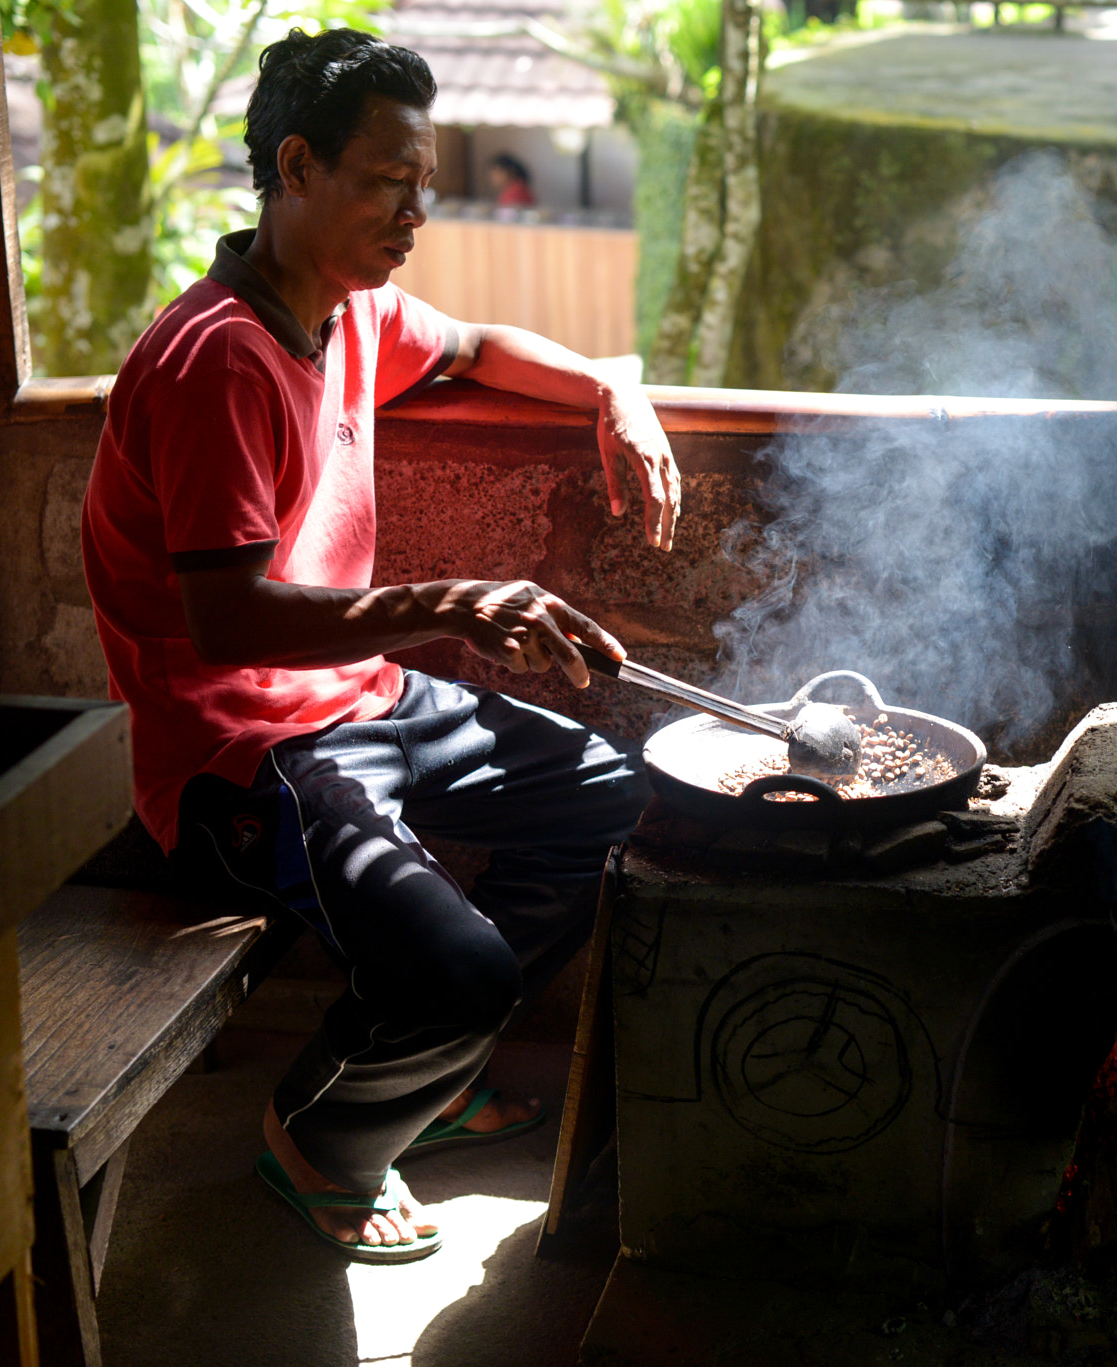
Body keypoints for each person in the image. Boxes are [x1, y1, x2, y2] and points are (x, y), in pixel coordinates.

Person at [80, 27, 681, 1262]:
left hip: (358, 694)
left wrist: (611, 388)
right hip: (242, 750)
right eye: (388, 179)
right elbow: (229, 620)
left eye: (425, 180)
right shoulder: (217, 363)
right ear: (295, 168)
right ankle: (326, 1132)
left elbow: (467, 347)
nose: (418, 209)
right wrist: (459, 603)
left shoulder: (347, 312)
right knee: (459, 969)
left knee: (606, 797)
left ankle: (422, 1068)